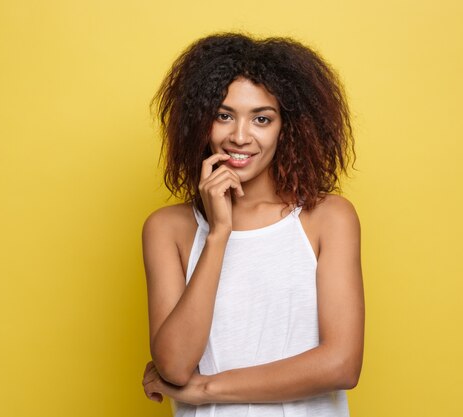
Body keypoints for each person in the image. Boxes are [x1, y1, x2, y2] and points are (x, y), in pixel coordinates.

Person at [141, 33, 365, 417]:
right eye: (223, 115)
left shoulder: (328, 218)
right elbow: (175, 366)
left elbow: (341, 364)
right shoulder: (168, 228)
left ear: (287, 127)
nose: (240, 137)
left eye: (262, 119)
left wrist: (206, 388)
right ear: (199, 121)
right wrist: (218, 234)